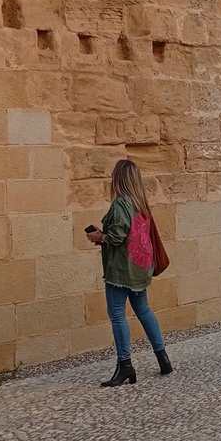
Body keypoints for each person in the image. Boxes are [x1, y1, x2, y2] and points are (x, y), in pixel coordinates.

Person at [87, 159, 173, 386]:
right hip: (140, 268)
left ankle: (125, 366)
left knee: (117, 315)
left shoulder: (120, 205)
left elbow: (116, 237)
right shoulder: (141, 204)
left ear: (118, 179)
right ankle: (162, 357)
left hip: (121, 271)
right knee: (143, 310)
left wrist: (100, 237)